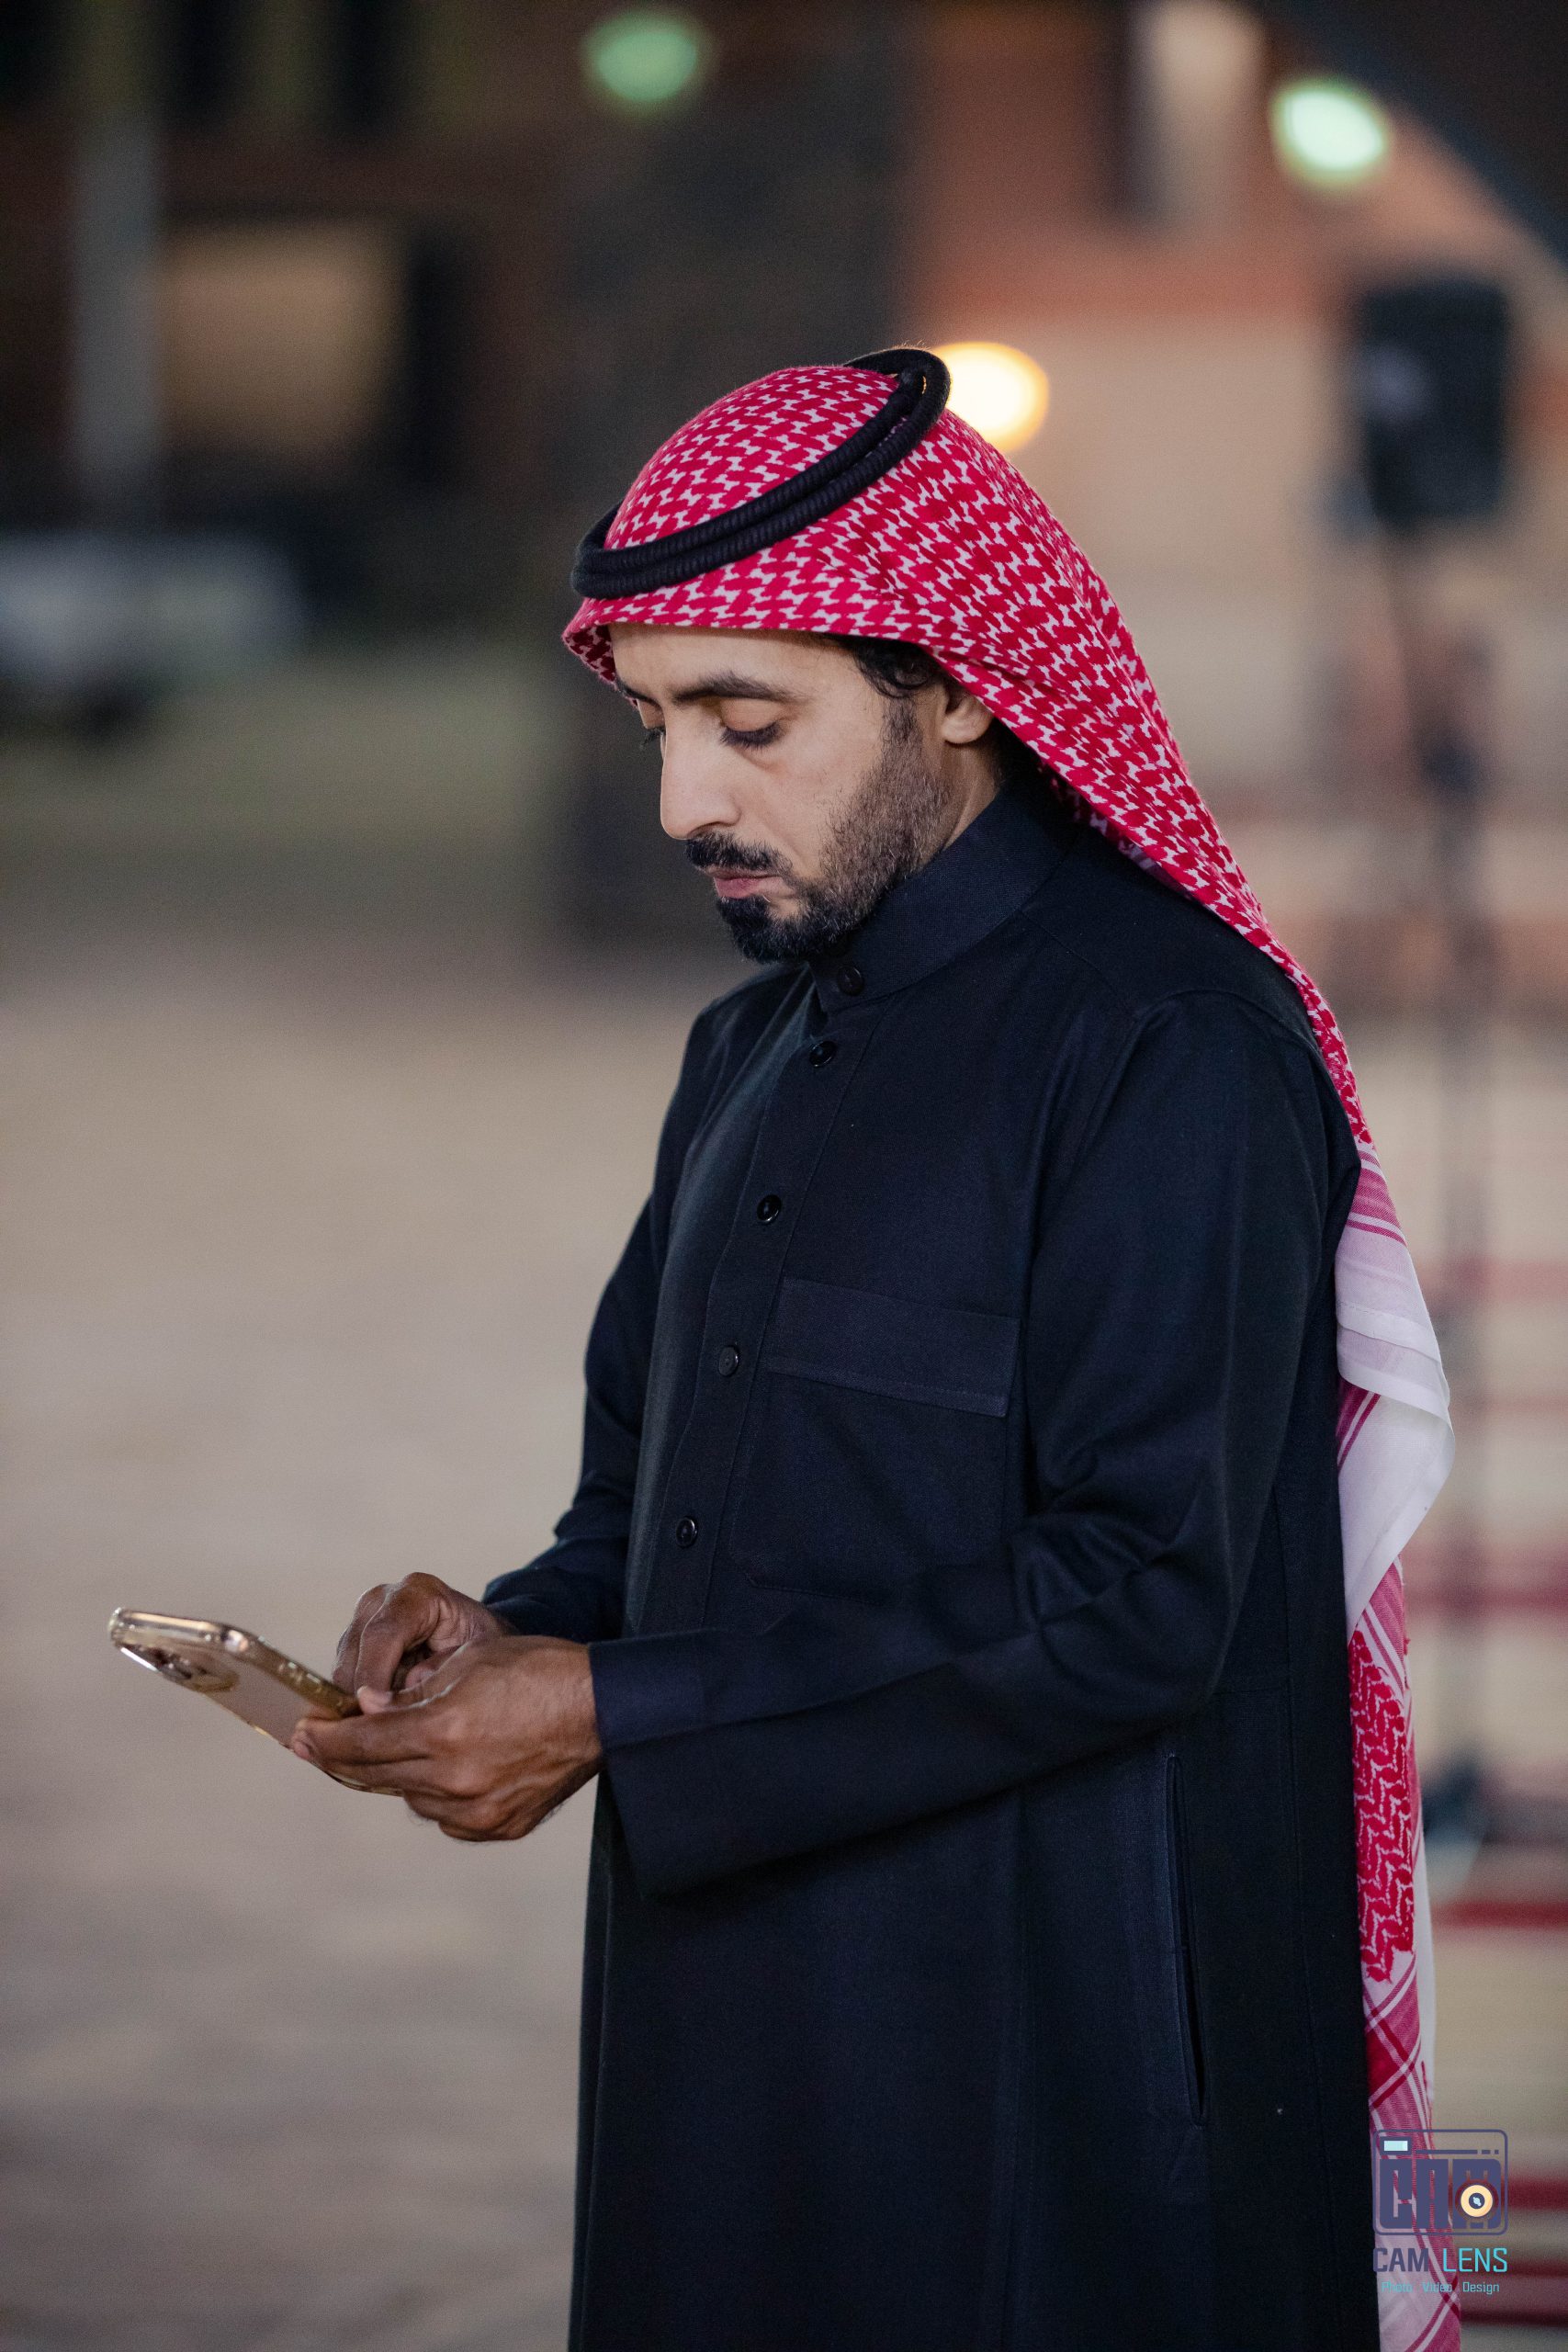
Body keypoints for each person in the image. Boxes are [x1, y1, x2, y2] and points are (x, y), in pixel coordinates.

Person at [294, 352, 1456, 2352]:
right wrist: (516, 1636)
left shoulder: (1166, 1044)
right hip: (722, 2033)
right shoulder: (744, 1048)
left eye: (748, 724)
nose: (686, 800)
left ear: (957, 687)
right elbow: (647, 1504)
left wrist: (615, 1711)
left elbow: (1137, 1595)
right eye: (656, 725)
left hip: (1054, 2072)